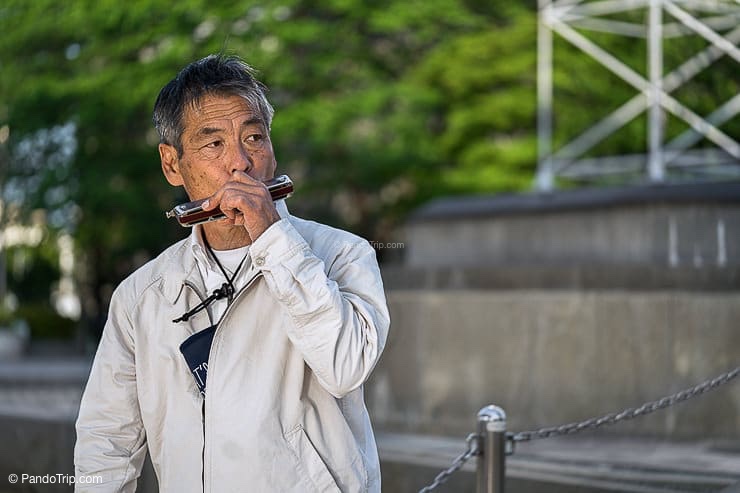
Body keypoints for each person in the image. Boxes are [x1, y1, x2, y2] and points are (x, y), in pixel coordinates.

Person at [74, 54, 390, 493]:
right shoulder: (141, 296)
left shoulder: (343, 255)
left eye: (254, 137)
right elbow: (106, 441)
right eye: (213, 144)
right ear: (172, 164)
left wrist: (275, 241)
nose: (240, 162)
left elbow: (344, 366)